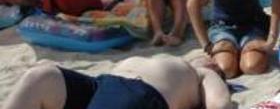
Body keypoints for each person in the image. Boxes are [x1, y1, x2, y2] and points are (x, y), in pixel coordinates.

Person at [2, 54, 231, 109]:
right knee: (41, 76)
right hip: (99, 85)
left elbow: (220, 105)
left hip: (140, 93)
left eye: (213, 61)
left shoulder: (201, 74)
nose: (207, 56)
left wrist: (211, 74)